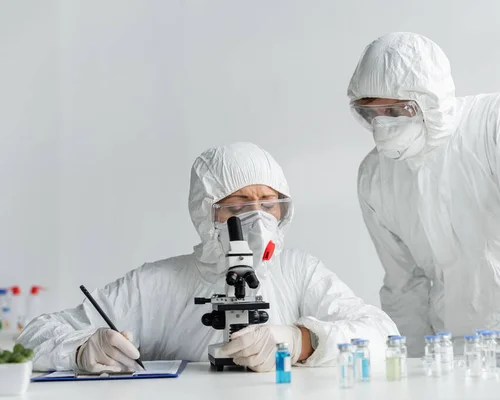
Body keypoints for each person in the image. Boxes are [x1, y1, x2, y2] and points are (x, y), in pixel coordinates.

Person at [17, 142, 397, 372]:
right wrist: (83, 349)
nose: (259, 219)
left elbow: (383, 334)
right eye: (239, 205)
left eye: (269, 204)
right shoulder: (158, 284)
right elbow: (33, 337)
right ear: (207, 213)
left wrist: (301, 341)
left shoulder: (299, 271)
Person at [347, 32, 500, 367]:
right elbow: (404, 285)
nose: (382, 126)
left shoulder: (496, 121)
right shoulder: (374, 176)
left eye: (395, 110)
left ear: (429, 100)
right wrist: (409, 365)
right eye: (370, 113)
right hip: (449, 354)